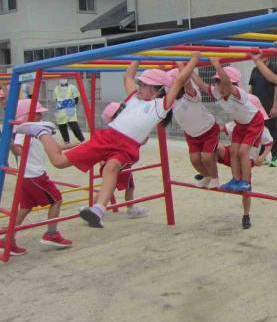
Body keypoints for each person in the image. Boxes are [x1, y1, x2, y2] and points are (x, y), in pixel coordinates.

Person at [15, 55, 201, 228]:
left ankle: (98, 209)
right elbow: (128, 77)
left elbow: (179, 80)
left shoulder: (160, 106)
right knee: (59, 162)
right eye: (141, 83)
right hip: (108, 137)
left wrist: (194, 59)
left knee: (112, 167)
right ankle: (42, 132)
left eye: (144, 84)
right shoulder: (134, 99)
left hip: (127, 147)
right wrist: (137, 57)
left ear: (157, 89)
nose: (139, 86)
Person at [4, 99, 73, 255]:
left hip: (27, 176)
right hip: (34, 176)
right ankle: (51, 234)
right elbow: (18, 151)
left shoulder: (37, 130)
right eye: (38, 113)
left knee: (26, 208)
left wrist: (79, 145)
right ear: (27, 115)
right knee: (56, 199)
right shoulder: (24, 132)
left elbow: (55, 147)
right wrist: (9, 140)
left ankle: (8, 238)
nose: (41, 115)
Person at [191, 60, 264, 194]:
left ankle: (246, 182)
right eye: (217, 83)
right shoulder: (218, 93)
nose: (218, 87)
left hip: (254, 122)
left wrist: (217, 65)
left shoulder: (238, 94)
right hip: (240, 124)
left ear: (231, 84)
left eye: (221, 83)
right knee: (233, 151)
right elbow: (201, 84)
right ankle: (235, 179)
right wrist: (189, 70)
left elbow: (227, 82)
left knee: (243, 151)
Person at [166, 66, 221, 189]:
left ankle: (215, 178)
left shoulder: (191, 94)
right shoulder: (171, 100)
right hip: (192, 134)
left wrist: (182, 65)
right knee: (195, 160)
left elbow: (187, 84)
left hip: (208, 130)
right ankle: (206, 175)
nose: (170, 88)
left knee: (207, 157)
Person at [215, 120, 273, 230]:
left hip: (247, 161)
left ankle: (246, 215)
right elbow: (223, 128)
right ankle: (209, 175)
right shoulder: (239, 121)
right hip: (232, 154)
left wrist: (262, 156)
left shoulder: (261, 128)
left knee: (246, 191)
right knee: (215, 146)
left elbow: (270, 143)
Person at [100, 102, 147, 219]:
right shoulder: (122, 129)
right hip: (122, 163)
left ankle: (94, 207)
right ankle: (130, 208)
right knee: (128, 187)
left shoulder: (112, 129)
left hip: (113, 163)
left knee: (107, 187)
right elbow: (139, 140)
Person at [249, 59, 277, 166]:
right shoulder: (254, 70)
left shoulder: (273, 68)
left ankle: (275, 157)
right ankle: (263, 156)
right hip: (258, 107)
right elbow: (251, 89)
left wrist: (275, 106)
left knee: (272, 131)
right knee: (260, 131)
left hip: (269, 105)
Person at [53, 78, 85, 144]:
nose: (62, 79)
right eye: (61, 78)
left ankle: (82, 139)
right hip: (60, 109)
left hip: (69, 108)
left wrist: (71, 105)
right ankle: (66, 141)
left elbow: (76, 98)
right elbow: (55, 98)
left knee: (73, 124)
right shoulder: (56, 88)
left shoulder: (72, 87)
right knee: (62, 125)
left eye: (64, 78)